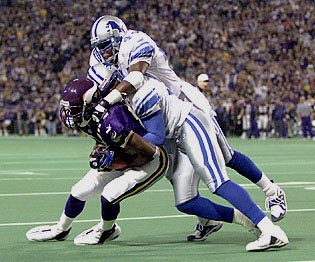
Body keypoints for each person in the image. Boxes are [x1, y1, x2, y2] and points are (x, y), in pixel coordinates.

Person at [88, 15, 287, 241]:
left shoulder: (136, 44)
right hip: (164, 118)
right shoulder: (115, 70)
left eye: (105, 46)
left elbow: (135, 77)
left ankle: (271, 192)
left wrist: (107, 105)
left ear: (117, 37)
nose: (103, 54)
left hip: (184, 107)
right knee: (185, 197)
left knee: (225, 158)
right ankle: (209, 221)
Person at [25, 77, 169, 245]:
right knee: (79, 190)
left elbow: (148, 152)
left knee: (110, 194)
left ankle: (107, 230)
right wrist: (100, 151)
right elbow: (102, 138)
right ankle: (61, 229)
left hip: (150, 161)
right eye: (67, 109)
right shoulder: (87, 117)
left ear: (89, 105)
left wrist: (117, 162)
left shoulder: (112, 121)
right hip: (123, 154)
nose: (69, 115)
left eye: (74, 109)